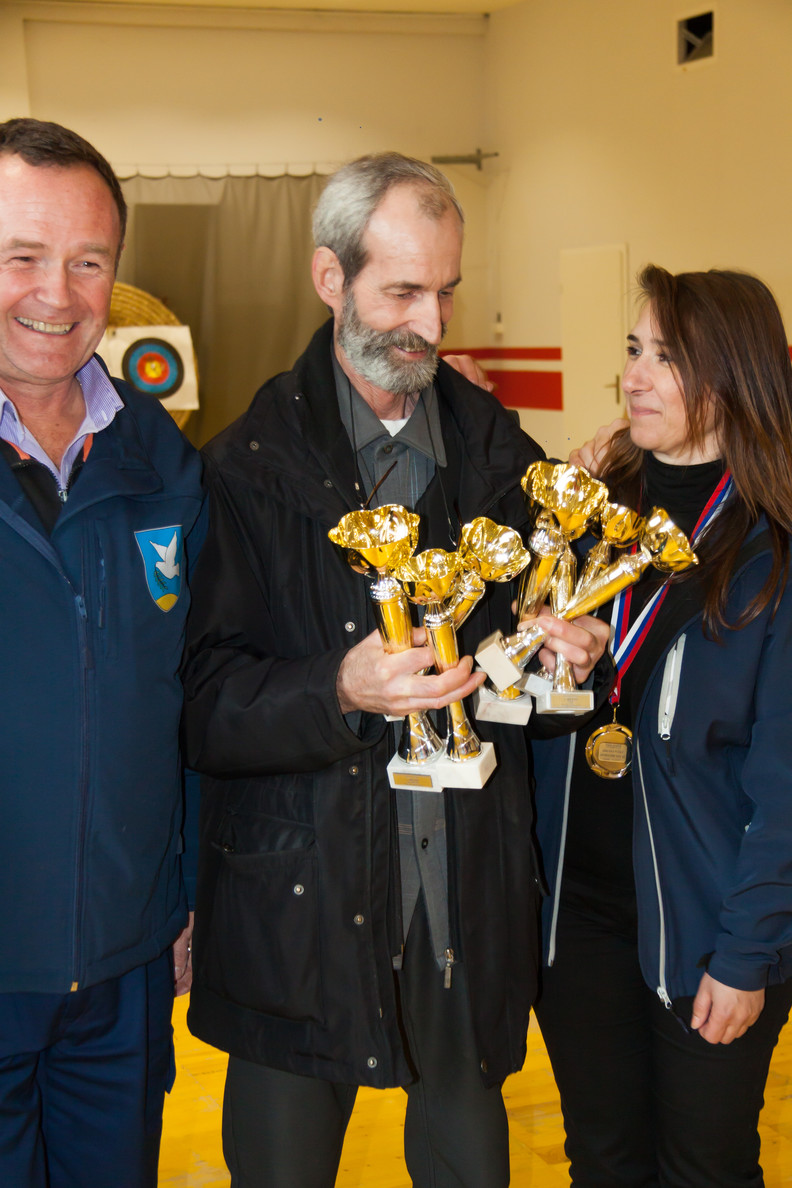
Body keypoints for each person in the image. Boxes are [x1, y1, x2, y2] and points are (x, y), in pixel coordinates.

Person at [181, 151, 611, 1188]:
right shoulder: (242, 470)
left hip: (464, 895)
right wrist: (339, 689)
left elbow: (520, 695)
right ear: (330, 278)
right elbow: (205, 706)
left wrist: (563, 664)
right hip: (301, 908)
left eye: (447, 291)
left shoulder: (503, 460)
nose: (431, 322)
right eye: (404, 291)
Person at [532, 264, 792, 1187]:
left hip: (709, 929)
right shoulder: (588, 516)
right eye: (634, 351)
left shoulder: (772, 552)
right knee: (602, 1164)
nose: (634, 377)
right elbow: (526, 714)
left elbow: (786, 787)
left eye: (667, 359)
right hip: (579, 924)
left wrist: (748, 954)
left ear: (734, 377)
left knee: (704, 1170)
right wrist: (555, 666)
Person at [0, 118, 205, 1186]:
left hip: (123, 974)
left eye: (88, 262)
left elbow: (192, 699)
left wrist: (185, 895)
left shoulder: (165, 462)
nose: (57, 293)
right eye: (21, 256)